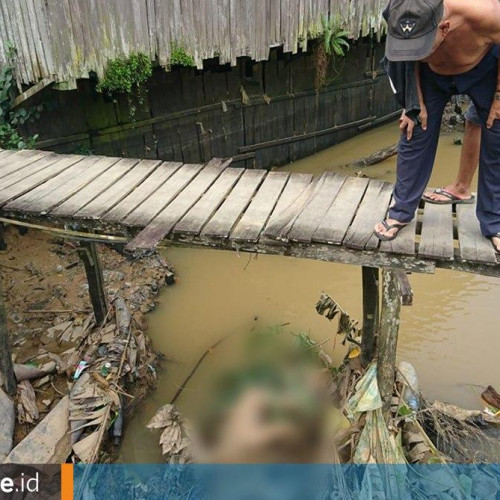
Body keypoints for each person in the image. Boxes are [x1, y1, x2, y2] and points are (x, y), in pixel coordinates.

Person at [374, 0, 500, 254]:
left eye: (422, 44)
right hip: (432, 75)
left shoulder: (487, 15)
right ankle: (400, 212)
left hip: (484, 69)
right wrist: (414, 101)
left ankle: (494, 223)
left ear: (444, 28)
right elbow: (403, 57)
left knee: (497, 132)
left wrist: (498, 97)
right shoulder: (401, 14)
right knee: (414, 129)